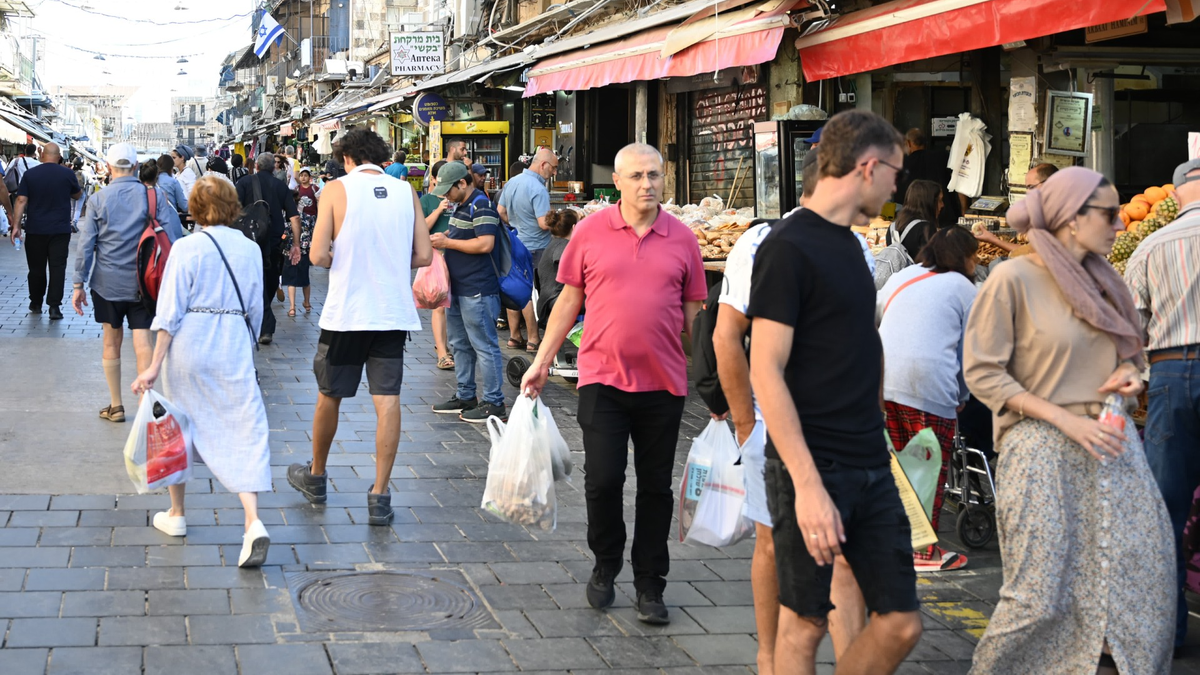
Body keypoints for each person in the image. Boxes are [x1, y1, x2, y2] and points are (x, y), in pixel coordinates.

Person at [965, 167, 1173, 674]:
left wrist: (1131, 374)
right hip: (1040, 451)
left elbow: (1127, 354)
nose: (1120, 225)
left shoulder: (1106, 283)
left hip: (1112, 447)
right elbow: (982, 372)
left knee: (1140, 587)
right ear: (1070, 220)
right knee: (1038, 597)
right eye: (1108, 213)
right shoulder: (1013, 278)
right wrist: (1063, 418)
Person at [747, 110, 923, 673]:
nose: (897, 184)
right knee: (804, 624)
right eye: (895, 171)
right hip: (812, 464)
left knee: (900, 622)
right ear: (868, 166)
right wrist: (807, 486)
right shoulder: (788, 246)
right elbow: (765, 370)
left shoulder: (850, 246)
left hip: (869, 459)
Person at [521, 143, 707, 626]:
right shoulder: (590, 232)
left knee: (655, 489)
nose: (648, 183)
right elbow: (566, 304)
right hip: (601, 379)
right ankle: (605, 564)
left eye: (655, 175)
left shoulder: (683, 239)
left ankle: (650, 582)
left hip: (664, 384)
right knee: (603, 481)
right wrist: (540, 362)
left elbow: (694, 319)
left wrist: (717, 379)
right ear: (618, 183)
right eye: (638, 176)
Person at [715, 149, 867, 674]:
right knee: (774, 539)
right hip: (774, 421)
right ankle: (769, 655)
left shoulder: (859, 250)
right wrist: (746, 424)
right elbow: (726, 337)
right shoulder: (759, 243)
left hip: (844, 424)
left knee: (846, 553)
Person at [286, 128, 432, 526]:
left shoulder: (335, 189)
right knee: (388, 401)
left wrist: (346, 257)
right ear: (380, 156)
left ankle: (316, 476)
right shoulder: (406, 192)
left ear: (347, 158)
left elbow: (317, 255)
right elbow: (423, 254)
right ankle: (380, 495)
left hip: (348, 314)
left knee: (329, 395)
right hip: (391, 313)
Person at [129, 175, 272, 567]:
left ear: (193, 208)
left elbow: (169, 312)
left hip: (191, 342)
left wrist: (153, 367)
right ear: (233, 206)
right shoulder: (248, 248)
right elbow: (257, 307)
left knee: (177, 426)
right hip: (233, 343)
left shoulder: (186, 248)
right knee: (244, 426)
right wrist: (248, 342)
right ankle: (252, 521)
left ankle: (176, 515)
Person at [1125, 158, 1200, 653]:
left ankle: (1167, 636)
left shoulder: (1152, 246)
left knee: (1165, 511)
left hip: (1172, 373)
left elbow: (1130, 330)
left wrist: (1142, 382)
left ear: (1173, 197)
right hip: (1172, 370)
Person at [876, 226, 978, 572]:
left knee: (901, 469)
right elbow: (970, 350)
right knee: (929, 469)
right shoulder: (966, 288)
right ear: (964, 257)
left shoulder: (903, 276)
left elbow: (876, 318)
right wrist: (961, 395)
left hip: (886, 383)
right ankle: (922, 552)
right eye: (974, 256)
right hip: (930, 387)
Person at [71, 142, 185, 423]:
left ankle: (116, 405)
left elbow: (87, 245)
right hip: (144, 283)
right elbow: (171, 237)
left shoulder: (99, 199)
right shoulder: (154, 195)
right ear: (135, 167)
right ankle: (147, 403)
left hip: (106, 283)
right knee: (142, 340)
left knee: (111, 341)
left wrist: (78, 284)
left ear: (109, 168)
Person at [429, 161, 508, 423]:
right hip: (459, 288)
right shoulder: (461, 204)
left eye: (448, 190)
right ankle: (465, 395)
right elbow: (463, 237)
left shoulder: (480, 204)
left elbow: (485, 244)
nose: (445, 196)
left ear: (462, 183)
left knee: (484, 346)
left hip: (478, 289)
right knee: (460, 345)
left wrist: (447, 241)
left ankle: (494, 402)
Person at [235, 152, 303, 345]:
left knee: (255, 281)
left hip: (247, 240)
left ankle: (263, 322)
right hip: (274, 241)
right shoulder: (280, 186)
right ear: (274, 167)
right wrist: (296, 244)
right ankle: (266, 324)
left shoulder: (244, 183)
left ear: (256, 166)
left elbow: (232, 211)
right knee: (270, 279)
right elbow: (294, 217)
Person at [11, 143, 81, 321]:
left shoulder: (30, 175)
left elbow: (20, 200)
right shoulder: (67, 174)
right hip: (60, 230)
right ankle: (54, 307)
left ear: (42, 156)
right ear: (58, 157)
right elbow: (77, 195)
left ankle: (35, 302)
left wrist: (16, 226)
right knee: (58, 268)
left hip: (36, 229)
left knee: (36, 269)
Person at [497, 148, 556, 354]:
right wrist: (562, 220)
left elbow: (501, 212)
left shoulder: (512, 182)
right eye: (554, 168)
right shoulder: (538, 189)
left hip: (515, 243)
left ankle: (515, 336)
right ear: (543, 165)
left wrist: (515, 226)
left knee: (515, 288)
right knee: (531, 293)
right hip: (536, 247)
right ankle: (533, 338)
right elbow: (543, 223)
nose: (554, 172)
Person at [419, 159, 454, 371]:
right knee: (439, 305)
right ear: (433, 179)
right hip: (437, 259)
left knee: (458, 306)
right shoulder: (427, 201)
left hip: (461, 257)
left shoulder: (460, 198)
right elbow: (422, 229)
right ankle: (442, 351)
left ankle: (452, 347)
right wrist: (439, 210)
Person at [874, 179, 940, 289]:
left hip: (895, 289)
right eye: (940, 200)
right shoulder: (926, 228)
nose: (942, 205)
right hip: (915, 288)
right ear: (930, 202)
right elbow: (931, 267)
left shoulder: (892, 227)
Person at [898, 128, 958, 227]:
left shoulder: (903, 164)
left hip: (914, 220)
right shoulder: (942, 157)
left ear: (909, 143)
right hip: (945, 216)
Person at [283, 168, 318, 317]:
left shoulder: (286, 218)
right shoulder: (308, 218)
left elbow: (283, 233)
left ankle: (292, 307)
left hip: (289, 250)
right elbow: (312, 231)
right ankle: (307, 303)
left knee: (291, 279)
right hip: (304, 250)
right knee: (305, 278)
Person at [534, 208, 578, 324]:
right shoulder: (563, 246)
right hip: (555, 300)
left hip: (548, 299)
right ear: (574, 227)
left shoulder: (554, 243)